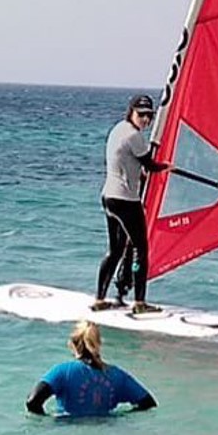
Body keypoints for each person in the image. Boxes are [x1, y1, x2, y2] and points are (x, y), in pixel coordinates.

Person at [94, 93, 171, 315]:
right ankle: (139, 303)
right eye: (141, 115)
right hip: (126, 201)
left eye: (149, 115)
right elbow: (150, 164)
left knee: (116, 250)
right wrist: (167, 167)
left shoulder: (118, 129)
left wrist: (141, 174)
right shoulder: (134, 136)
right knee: (141, 248)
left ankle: (99, 299)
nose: (145, 120)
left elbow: (127, 163)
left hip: (108, 198)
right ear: (131, 112)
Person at [26, 321, 157, 418]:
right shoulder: (117, 375)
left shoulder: (62, 371)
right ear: (98, 343)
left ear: (73, 344)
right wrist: (119, 417)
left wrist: (50, 422)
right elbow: (148, 403)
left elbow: (32, 401)